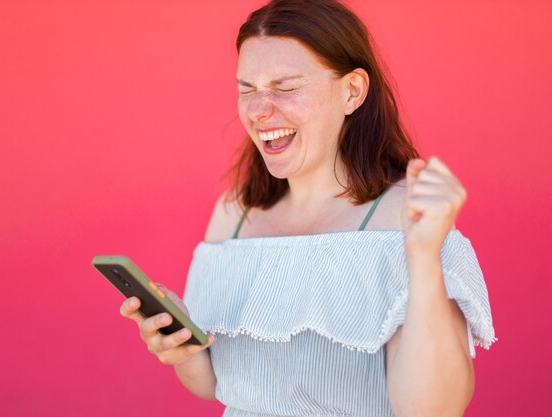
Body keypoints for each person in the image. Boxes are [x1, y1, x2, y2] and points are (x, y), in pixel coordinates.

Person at [120, 0, 495, 416]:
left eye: (284, 87)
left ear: (351, 91)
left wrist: (424, 257)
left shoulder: (407, 217)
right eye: (247, 89)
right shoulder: (235, 213)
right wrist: (182, 347)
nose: (259, 111)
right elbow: (214, 385)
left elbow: (432, 411)